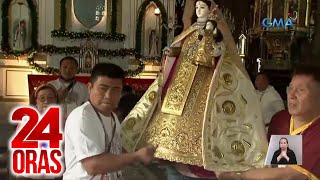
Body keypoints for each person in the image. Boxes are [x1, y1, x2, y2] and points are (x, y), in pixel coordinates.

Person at [122, 0, 268, 178]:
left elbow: (222, 48)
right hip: (183, 83)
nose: (198, 11)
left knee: (203, 118)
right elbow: (181, 50)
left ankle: (199, 158)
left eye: (202, 8)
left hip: (204, 82)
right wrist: (172, 51)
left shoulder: (213, 29)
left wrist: (216, 50)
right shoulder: (190, 31)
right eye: (196, 8)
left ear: (210, 10)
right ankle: (170, 151)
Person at [217, 64, 320, 180]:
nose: (291, 95)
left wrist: (238, 174)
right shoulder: (281, 120)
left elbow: (290, 175)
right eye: (290, 88)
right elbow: (276, 165)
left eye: (301, 90)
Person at [63, 63, 157, 180]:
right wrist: (136, 156)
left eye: (115, 90)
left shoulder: (112, 116)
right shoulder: (83, 117)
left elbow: (115, 151)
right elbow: (92, 166)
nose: (108, 95)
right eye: (103, 88)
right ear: (89, 88)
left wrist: (152, 155)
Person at [15, 84, 60, 180]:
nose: (46, 101)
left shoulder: (63, 121)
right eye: (42, 98)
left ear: (56, 101)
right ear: (36, 102)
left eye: (50, 97)